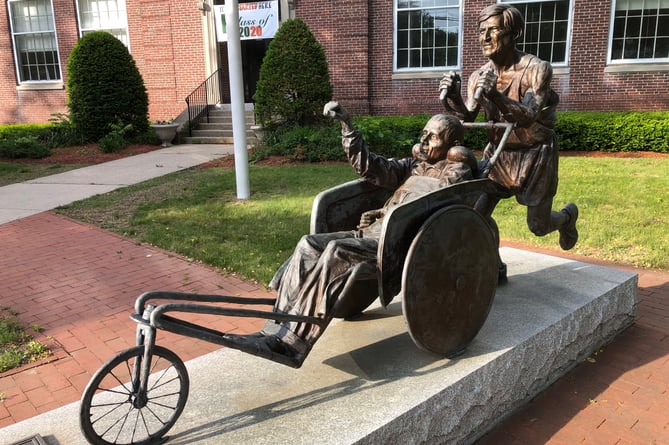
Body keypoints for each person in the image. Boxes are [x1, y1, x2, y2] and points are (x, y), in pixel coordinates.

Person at [223, 101, 477, 367]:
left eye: (432, 137)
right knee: (308, 244)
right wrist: (348, 127)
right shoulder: (412, 166)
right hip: (369, 233)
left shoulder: (456, 172)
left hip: (395, 243)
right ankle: (276, 327)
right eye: (423, 134)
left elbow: (429, 204)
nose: (423, 142)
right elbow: (371, 167)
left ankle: (293, 345)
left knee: (336, 252)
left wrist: (383, 214)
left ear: (452, 145)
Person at [438, 4, 578, 265]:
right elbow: (467, 116)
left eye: (494, 30)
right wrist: (454, 98)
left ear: (515, 33)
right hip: (498, 155)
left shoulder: (537, 69)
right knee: (475, 214)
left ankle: (567, 218)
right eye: (481, 32)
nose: (485, 38)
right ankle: (494, 264)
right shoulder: (478, 75)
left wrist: (495, 95)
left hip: (536, 155)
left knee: (538, 225)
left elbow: (528, 115)